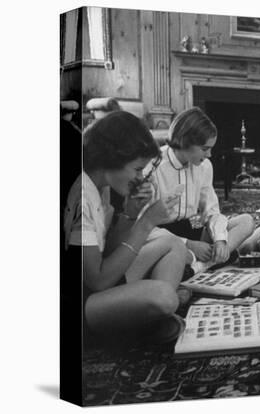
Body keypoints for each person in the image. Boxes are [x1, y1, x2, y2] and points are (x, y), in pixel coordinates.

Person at [63, 111, 192, 343]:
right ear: (110, 159)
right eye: (137, 169)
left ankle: (146, 315)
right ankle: (142, 320)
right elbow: (98, 281)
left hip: (99, 289)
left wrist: (131, 212)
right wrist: (146, 222)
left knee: (173, 244)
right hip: (83, 302)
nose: (140, 178)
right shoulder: (82, 197)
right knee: (165, 296)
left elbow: (110, 252)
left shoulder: (100, 187)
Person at [145, 107, 255, 273]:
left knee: (247, 221)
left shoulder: (204, 166)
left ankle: (198, 266)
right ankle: (202, 264)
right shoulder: (154, 166)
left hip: (188, 230)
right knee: (180, 256)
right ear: (185, 141)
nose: (210, 154)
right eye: (205, 149)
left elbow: (211, 212)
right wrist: (189, 245)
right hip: (161, 237)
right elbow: (143, 227)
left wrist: (220, 241)